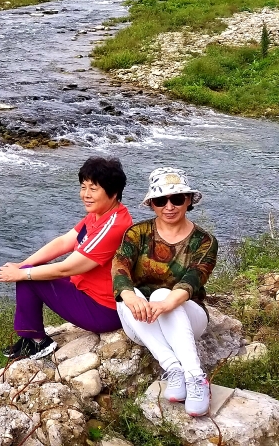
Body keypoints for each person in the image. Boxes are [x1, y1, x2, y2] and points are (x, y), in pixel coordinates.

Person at [0, 156, 132, 360]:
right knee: (29, 271)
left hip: (103, 310)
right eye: (83, 187)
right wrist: (23, 264)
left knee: (29, 279)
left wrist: (22, 273)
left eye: (93, 189)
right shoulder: (99, 215)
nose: (85, 195)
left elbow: (66, 268)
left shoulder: (113, 226)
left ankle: (36, 342)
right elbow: (64, 242)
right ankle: (30, 338)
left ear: (113, 192)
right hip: (87, 293)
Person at [112, 167, 218, 417]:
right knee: (127, 295)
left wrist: (167, 303)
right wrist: (129, 296)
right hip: (144, 323)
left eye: (177, 199)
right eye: (161, 200)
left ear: (189, 200)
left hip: (188, 318)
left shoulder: (204, 241)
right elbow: (120, 266)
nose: (169, 206)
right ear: (152, 204)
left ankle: (196, 377)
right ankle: (173, 369)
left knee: (161, 296)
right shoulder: (138, 234)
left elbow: (194, 278)